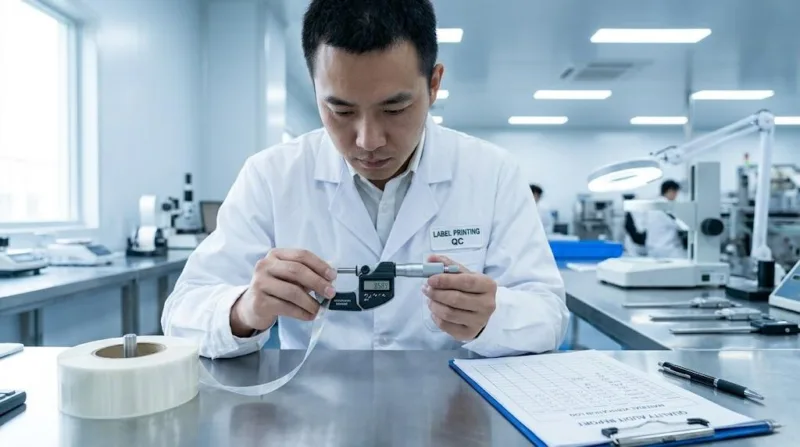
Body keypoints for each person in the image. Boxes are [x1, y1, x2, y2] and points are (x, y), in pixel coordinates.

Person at [161, 0, 569, 359]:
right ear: (316, 89)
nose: (368, 141)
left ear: (434, 84)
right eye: (340, 111)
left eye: (395, 109)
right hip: (315, 417)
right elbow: (182, 315)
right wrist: (246, 309)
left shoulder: (492, 173)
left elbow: (548, 314)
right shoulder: (271, 176)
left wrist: (491, 318)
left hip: (455, 413)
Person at [644, 180, 688, 259]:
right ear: (670, 191)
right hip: (667, 248)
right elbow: (680, 225)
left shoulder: (654, 205)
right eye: (676, 193)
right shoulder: (667, 206)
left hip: (652, 247)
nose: (676, 196)